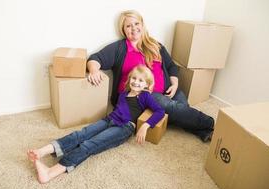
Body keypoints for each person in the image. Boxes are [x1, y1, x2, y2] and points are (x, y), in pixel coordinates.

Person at [87, 10, 214, 142]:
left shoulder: (155, 45)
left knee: (181, 108)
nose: (134, 28)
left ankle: (203, 131)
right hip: (141, 96)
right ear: (123, 30)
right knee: (174, 108)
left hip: (167, 90)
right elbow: (95, 58)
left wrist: (175, 84)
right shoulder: (119, 48)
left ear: (142, 25)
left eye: (136, 23)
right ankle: (211, 123)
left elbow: (171, 66)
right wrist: (94, 70)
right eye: (128, 26)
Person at [27, 65, 165, 184]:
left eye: (141, 81)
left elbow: (160, 111)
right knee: (80, 134)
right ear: (130, 79)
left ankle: (50, 173)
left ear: (147, 84)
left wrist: (145, 126)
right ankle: (42, 151)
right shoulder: (123, 94)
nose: (136, 82)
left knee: (89, 144)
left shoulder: (145, 96)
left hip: (124, 127)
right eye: (134, 78)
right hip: (108, 120)